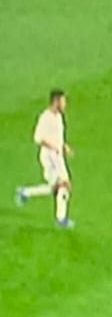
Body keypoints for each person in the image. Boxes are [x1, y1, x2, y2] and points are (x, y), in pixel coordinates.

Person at [15, 89, 74, 230]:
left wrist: (64, 146)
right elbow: (38, 138)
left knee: (55, 188)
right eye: (63, 101)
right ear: (56, 101)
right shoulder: (45, 118)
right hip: (50, 157)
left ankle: (25, 192)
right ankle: (61, 220)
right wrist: (54, 147)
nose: (65, 104)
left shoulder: (59, 117)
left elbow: (57, 136)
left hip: (57, 155)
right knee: (65, 185)